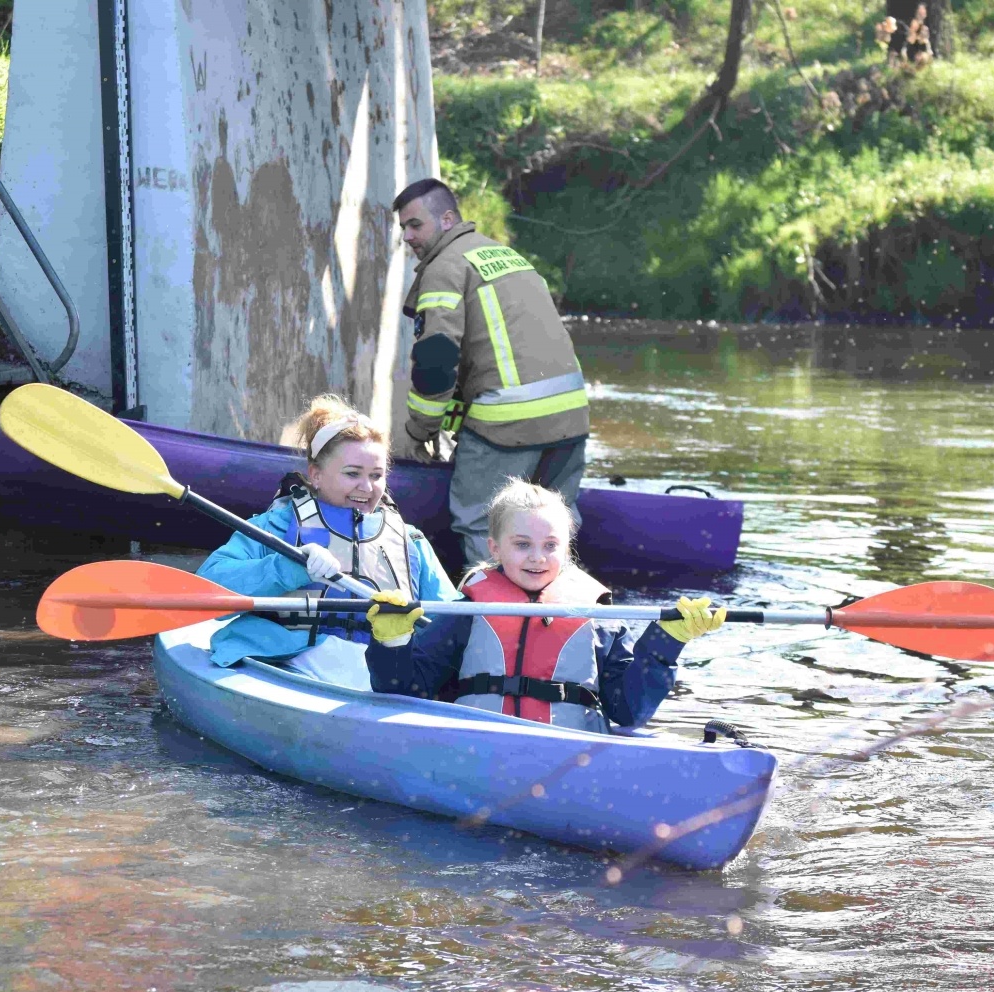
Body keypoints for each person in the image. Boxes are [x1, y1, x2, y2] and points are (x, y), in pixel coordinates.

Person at [363, 478, 725, 733]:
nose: (537, 558)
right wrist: (392, 644)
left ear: (566, 548)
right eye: (522, 544)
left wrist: (665, 643)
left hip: (566, 755)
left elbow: (628, 711)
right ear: (494, 548)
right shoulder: (467, 613)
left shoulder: (599, 618)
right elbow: (405, 692)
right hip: (476, 746)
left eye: (550, 545)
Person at [197, 395, 461, 689]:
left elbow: (452, 621)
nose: (367, 487)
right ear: (316, 474)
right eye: (352, 474)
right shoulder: (277, 525)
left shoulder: (410, 540)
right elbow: (205, 590)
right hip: (288, 665)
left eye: (377, 475)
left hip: (385, 676)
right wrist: (288, 566)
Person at [393, 176, 591, 567]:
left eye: (415, 225)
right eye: (402, 228)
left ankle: (490, 619)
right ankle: (556, 616)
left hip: (508, 423)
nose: (407, 237)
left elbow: (436, 361)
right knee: (554, 528)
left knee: (482, 526)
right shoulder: (505, 255)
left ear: (447, 219)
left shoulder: (444, 268)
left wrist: (420, 432)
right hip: (571, 417)